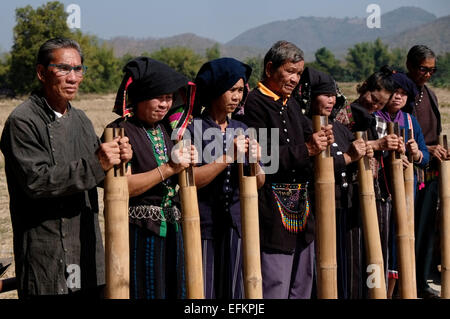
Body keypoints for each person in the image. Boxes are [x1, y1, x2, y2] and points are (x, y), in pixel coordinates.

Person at [0, 38, 132, 298]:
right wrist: (99, 162)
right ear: (41, 72)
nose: (73, 77)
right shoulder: (22, 122)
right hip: (45, 252)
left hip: (85, 245)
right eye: (63, 68)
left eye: (78, 69)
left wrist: (119, 158)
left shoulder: (81, 120)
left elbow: (101, 175)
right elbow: (37, 182)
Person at [239, 41, 334, 299]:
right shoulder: (254, 104)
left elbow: (307, 139)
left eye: (299, 73)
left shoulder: (290, 103)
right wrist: (309, 149)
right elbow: (265, 158)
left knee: (302, 283)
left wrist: (321, 141)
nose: (294, 79)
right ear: (270, 68)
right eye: (290, 71)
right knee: (275, 283)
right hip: (271, 208)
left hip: (302, 211)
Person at [106, 57, 196, 299]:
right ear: (141, 97)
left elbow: (179, 177)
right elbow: (123, 187)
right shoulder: (119, 131)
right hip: (140, 231)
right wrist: (168, 168)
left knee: (175, 290)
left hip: (173, 227)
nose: (165, 104)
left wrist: (188, 163)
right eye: (159, 97)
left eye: (169, 98)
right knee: (145, 291)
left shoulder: (168, 130)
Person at [187, 57, 265, 299]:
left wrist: (255, 163)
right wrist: (228, 156)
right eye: (231, 90)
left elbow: (259, 182)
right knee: (205, 290)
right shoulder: (191, 129)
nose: (237, 97)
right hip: (203, 226)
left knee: (235, 291)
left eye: (241, 90)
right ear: (215, 89)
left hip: (237, 226)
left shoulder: (242, 128)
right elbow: (192, 181)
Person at [307, 70, 373, 298]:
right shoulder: (306, 128)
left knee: (347, 266)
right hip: (320, 211)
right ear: (310, 97)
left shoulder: (341, 129)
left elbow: (354, 163)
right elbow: (317, 165)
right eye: (325, 95)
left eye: (333, 95)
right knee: (323, 269)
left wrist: (366, 154)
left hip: (345, 208)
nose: (331, 100)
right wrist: (349, 157)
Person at [336, 67, 400, 298]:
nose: (375, 105)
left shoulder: (371, 117)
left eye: (381, 104)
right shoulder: (346, 115)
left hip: (372, 192)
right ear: (365, 88)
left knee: (374, 253)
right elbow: (344, 152)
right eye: (374, 98)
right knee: (353, 254)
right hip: (350, 192)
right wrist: (376, 145)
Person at [374, 68, 430, 298]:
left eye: (403, 94)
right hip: (380, 193)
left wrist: (416, 154)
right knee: (381, 245)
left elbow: (425, 158)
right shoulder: (375, 119)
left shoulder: (410, 121)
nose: (398, 97)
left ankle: (398, 291)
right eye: (394, 92)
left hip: (406, 195)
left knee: (401, 245)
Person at [406, 45, 449, 299]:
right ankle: (407, 282)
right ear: (410, 66)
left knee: (425, 229)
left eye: (432, 70)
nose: (428, 74)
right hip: (409, 173)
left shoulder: (430, 95)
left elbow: (435, 132)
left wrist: (441, 150)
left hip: (430, 173)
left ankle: (421, 281)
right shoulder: (402, 94)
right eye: (424, 69)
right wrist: (427, 149)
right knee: (407, 231)